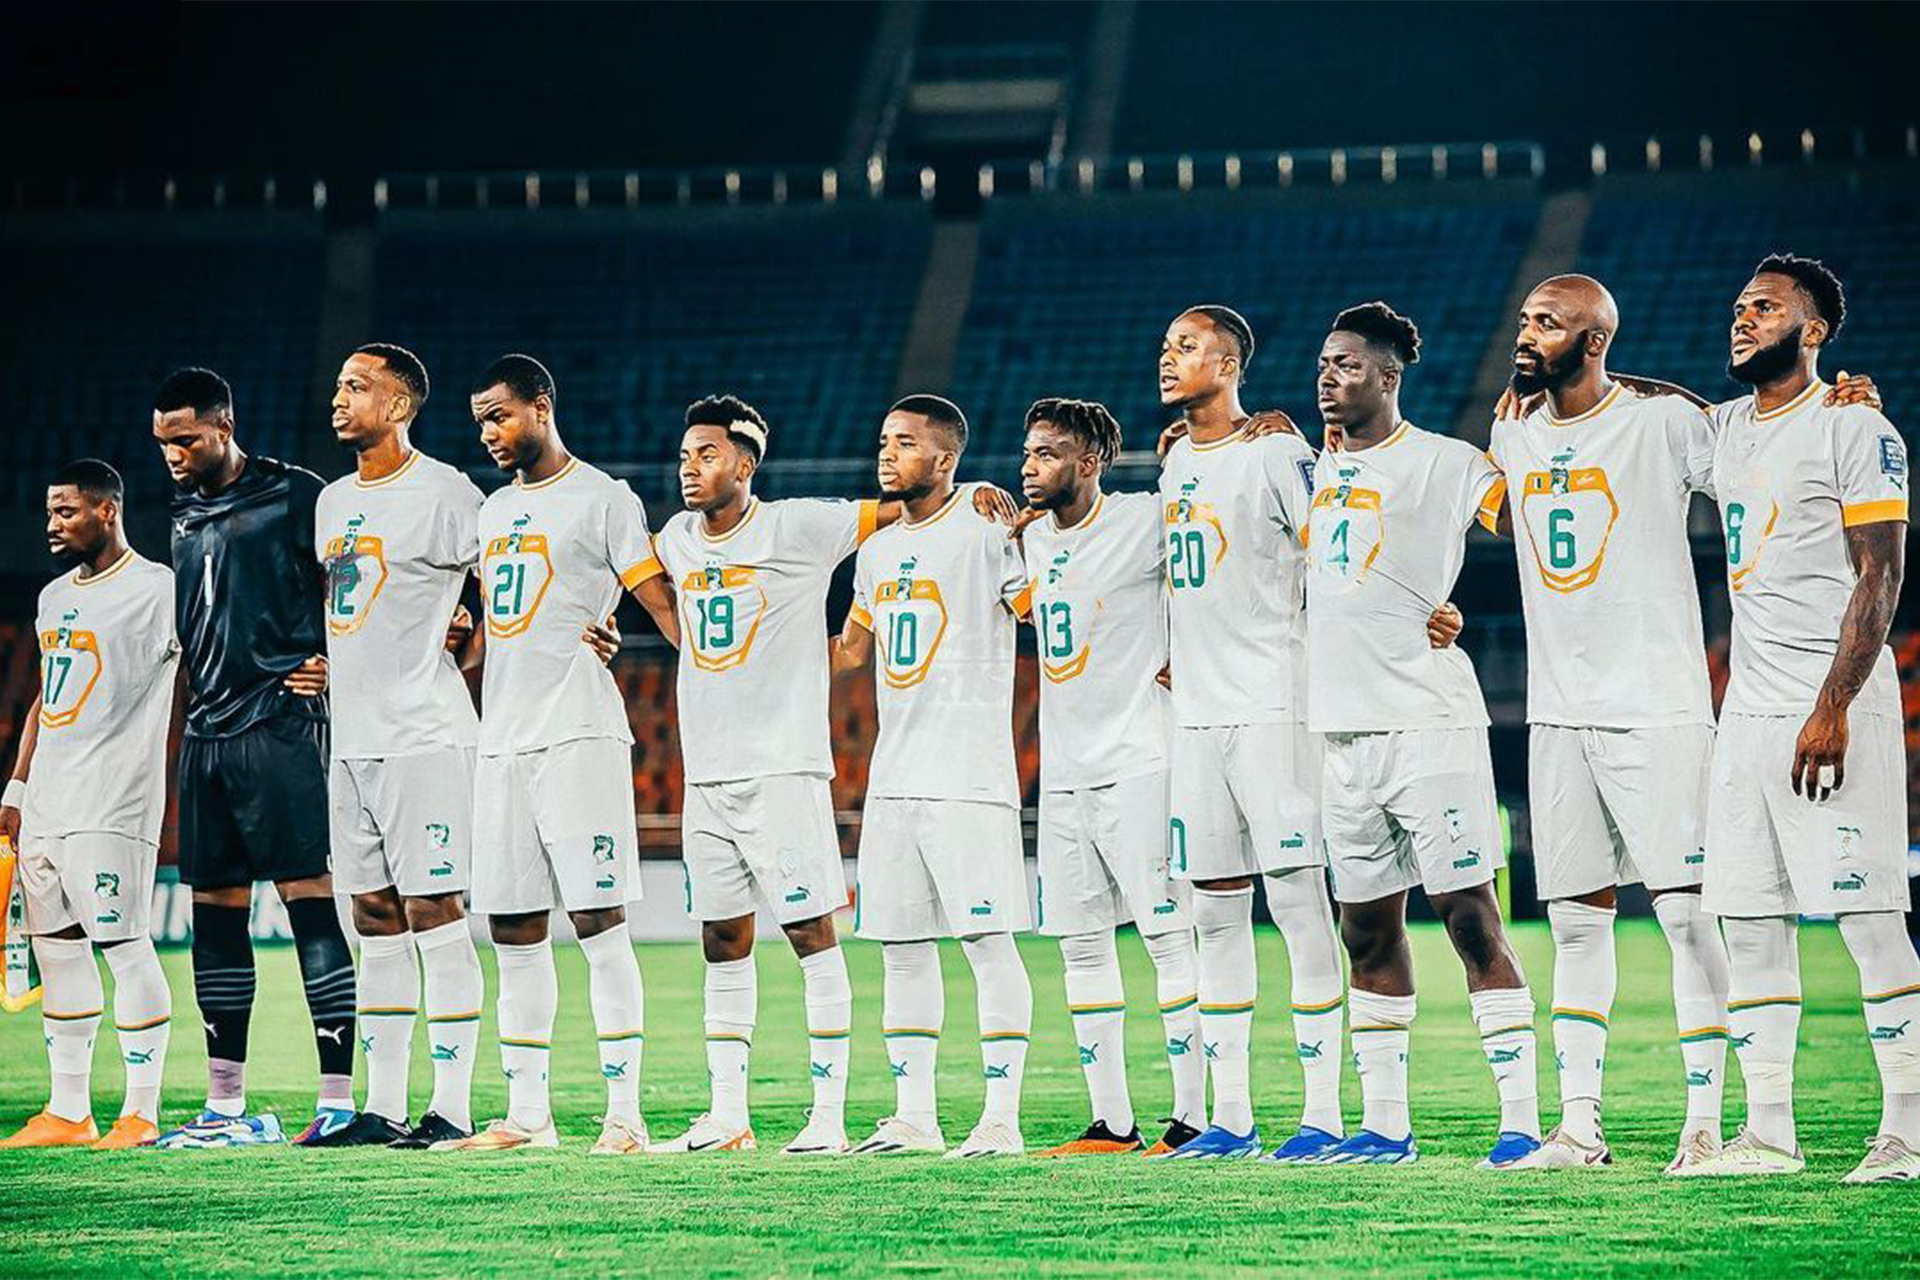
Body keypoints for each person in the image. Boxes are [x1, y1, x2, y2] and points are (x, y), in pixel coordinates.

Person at [1678, 256, 1920, 1183]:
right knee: (1750, 923)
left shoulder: (1855, 425)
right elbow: (1640, 406)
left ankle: (1905, 1129)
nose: (1743, 318)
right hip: (1746, 713)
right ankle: (1770, 1133)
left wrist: (1833, 705)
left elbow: (1882, 574)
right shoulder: (1722, 430)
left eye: (1767, 308)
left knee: (1867, 916)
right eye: (1739, 305)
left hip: (1834, 706)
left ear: (1813, 331)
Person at [1301, 303, 1540, 1168]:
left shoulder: (1446, 462)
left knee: (1470, 918)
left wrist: (1538, 435)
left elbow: (1532, 521)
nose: (1330, 377)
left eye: (1348, 365)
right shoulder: (1311, 470)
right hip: (1340, 731)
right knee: (1365, 932)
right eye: (1324, 364)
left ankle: (1522, 1123)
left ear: (1389, 376)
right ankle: (1385, 1128)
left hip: (1427, 726)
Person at [434, 354, 678, 1154]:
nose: (488, 433)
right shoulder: (493, 512)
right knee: (512, 927)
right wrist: (461, 641)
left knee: (599, 920)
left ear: (541, 406)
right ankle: (528, 1117)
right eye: (479, 421)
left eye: (499, 415)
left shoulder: (604, 497)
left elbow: (658, 600)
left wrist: (712, 668)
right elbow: (491, 630)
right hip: (501, 739)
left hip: (576, 732)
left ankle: (625, 1116)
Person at [1154, 305, 1348, 1160]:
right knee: (1215, 913)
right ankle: (1230, 1116)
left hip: (1273, 707)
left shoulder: (1274, 451)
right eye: (1167, 346)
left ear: (1230, 364)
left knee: (1300, 903)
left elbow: (1333, 548)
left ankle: (1325, 1114)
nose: (1169, 358)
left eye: (1188, 346)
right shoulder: (1172, 460)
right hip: (1197, 718)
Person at [148, 367, 358, 1150]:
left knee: (308, 900)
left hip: (280, 725)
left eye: (185, 439)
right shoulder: (181, 510)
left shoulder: (297, 494)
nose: (173, 454)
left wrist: (335, 658)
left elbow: (351, 585)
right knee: (214, 915)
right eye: (163, 442)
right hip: (206, 735)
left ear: (225, 426)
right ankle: (225, 1107)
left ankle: (337, 1101)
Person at [836, 395, 1034, 1158]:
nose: (887, 454)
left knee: (986, 940)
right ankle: (914, 1115)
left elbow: (1039, 609)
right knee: (902, 946)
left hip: (968, 776)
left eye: (906, 443)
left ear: (946, 459)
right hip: (894, 778)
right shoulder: (877, 552)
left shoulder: (986, 531)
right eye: (884, 440)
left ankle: (1002, 1118)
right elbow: (851, 651)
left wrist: (1026, 526)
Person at [305, 344, 489, 1148]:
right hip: (352, 739)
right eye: (339, 385)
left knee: (434, 908)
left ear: (401, 404)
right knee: (373, 914)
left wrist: (472, 638)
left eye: (357, 386)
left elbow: (503, 584)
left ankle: (452, 1108)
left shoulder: (447, 492)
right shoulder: (333, 501)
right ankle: (380, 1108)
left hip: (425, 735)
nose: (339, 398)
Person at [1014, 397, 1204, 1158]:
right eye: (1028, 453)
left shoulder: (1141, 519)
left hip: (1141, 762)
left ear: (1089, 462)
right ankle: (1112, 1123)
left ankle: (1193, 1119)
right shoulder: (1027, 542)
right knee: (1081, 945)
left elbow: (1225, 550)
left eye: (1048, 453)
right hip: (1065, 775)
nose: (1030, 466)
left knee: (1168, 936)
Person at [0, 461, 178, 1150]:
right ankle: (69, 1112)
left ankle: (141, 1110)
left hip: (115, 801)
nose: (51, 525)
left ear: (108, 510)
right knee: (59, 953)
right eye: (49, 512)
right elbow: (46, 698)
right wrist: (18, 787)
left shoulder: (157, 588)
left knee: (125, 948)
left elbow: (214, 652)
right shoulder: (52, 598)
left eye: (66, 512)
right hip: (48, 800)